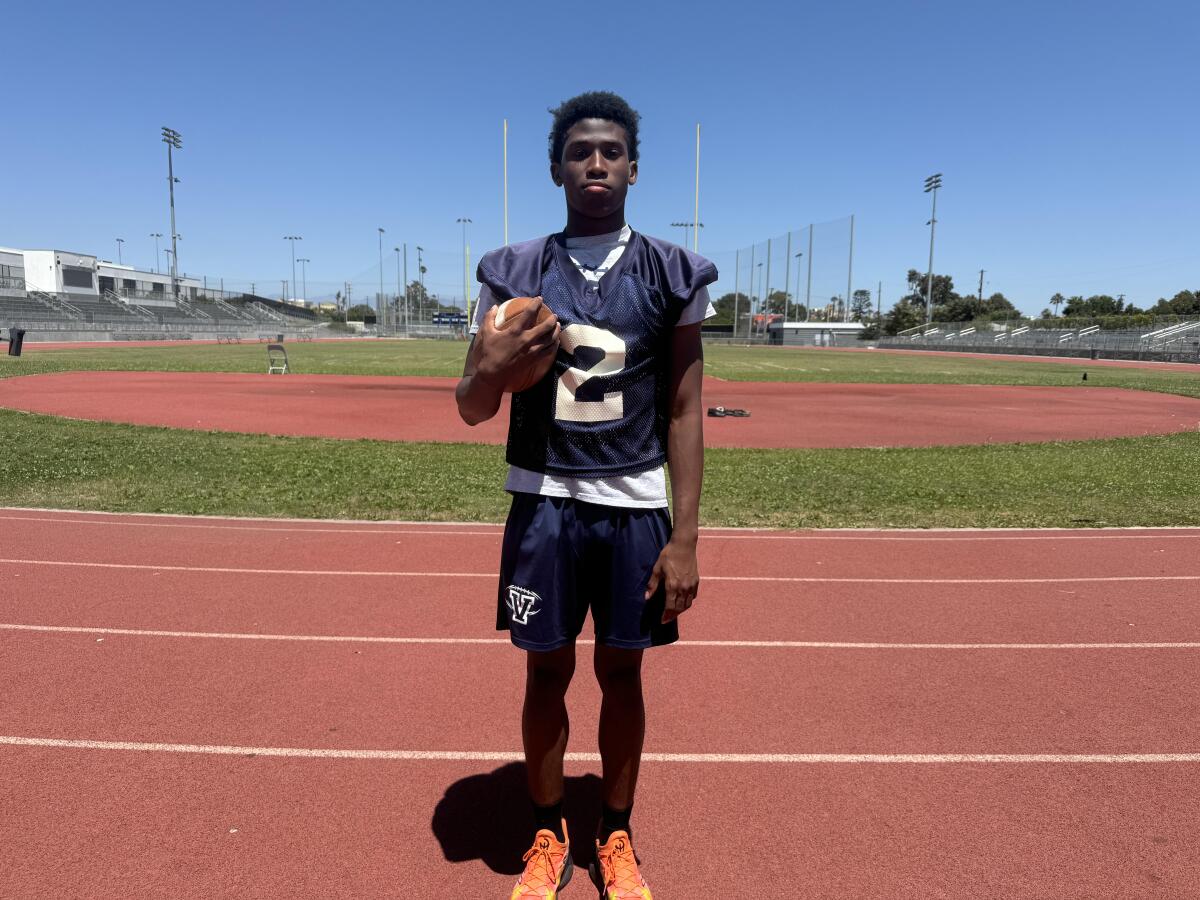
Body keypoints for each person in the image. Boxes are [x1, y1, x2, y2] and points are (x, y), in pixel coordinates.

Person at [455, 90, 716, 899]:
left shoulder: (672, 271)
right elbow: (470, 404)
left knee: (624, 675)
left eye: (609, 151)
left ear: (633, 167)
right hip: (543, 500)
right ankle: (545, 830)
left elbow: (682, 407)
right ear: (557, 170)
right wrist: (493, 370)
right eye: (579, 152)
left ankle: (615, 832)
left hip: (635, 505)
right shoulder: (513, 270)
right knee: (543, 675)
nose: (595, 163)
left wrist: (686, 538)